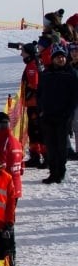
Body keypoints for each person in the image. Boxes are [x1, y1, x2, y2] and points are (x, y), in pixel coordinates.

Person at [36, 44, 78, 184]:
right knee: (50, 146)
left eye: (62, 57)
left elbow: (74, 97)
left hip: (63, 117)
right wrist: (41, 111)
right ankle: (53, 172)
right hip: (47, 116)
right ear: (53, 58)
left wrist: (68, 114)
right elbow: (40, 94)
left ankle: (60, 171)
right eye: (58, 57)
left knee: (61, 146)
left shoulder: (71, 74)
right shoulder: (46, 74)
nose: (60, 59)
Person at [0, 111, 23, 202]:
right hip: (15, 186)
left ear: (1, 126)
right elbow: (22, 168)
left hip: (5, 189)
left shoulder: (2, 143)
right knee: (10, 215)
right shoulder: (16, 142)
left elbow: (0, 167)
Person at [20, 42, 45, 168]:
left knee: (36, 131)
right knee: (34, 131)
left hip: (34, 104)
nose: (21, 55)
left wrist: (28, 92)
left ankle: (43, 157)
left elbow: (35, 84)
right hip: (34, 104)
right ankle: (37, 155)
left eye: (23, 52)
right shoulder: (36, 62)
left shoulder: (31, 66)